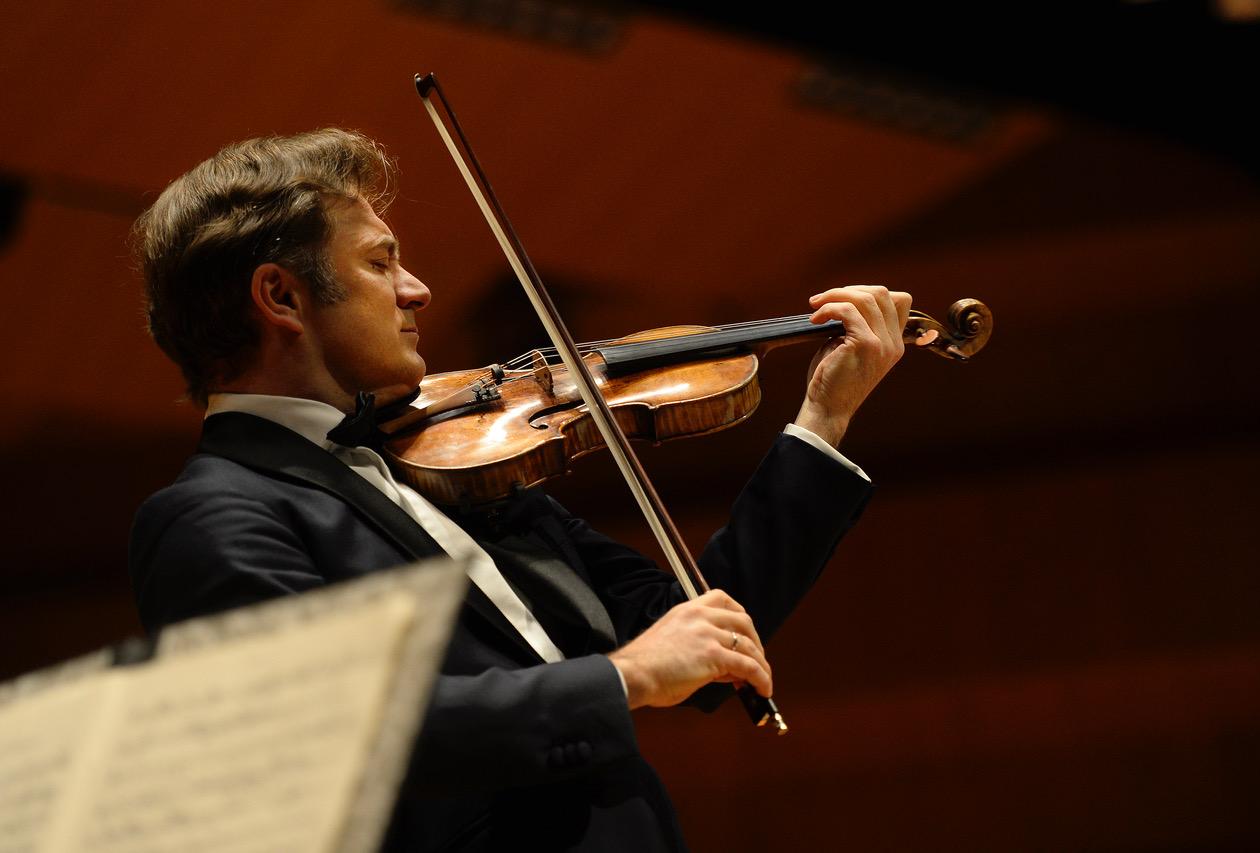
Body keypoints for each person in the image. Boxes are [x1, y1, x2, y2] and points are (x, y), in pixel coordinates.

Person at [129, 128, 911, 852]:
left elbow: (698, 634)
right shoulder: (214, 513)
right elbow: (334, 729)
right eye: (378, 262)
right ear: (282, 297)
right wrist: (626, 677)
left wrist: (824, 417)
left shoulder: (450, 461)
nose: (418, 289)